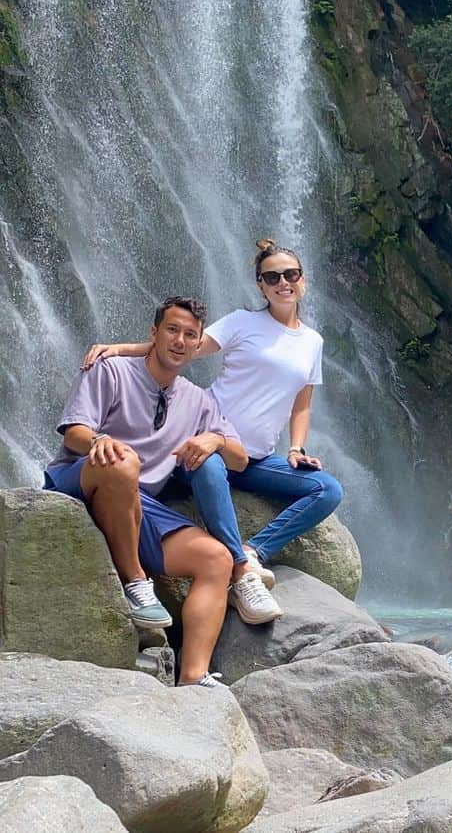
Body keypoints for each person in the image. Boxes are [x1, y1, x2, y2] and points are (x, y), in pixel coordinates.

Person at [83, 240, 343, 605]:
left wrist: (296, 448)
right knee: (207, 466)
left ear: (303, 280)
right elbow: (181, 347)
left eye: (290, 274)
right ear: (261, 285)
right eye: (272, 276)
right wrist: (120, 349)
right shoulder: (242, 322)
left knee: (328, 489)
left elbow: (302, 404)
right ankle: (240, 571)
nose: (282, 282)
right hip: (208, 442)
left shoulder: (312, 342)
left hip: (255, 459)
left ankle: (254, 551)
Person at [45, 296, 271, 688]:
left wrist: (214, 439)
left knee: (217, 560)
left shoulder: (199, 401)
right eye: (172, 330)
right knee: (123, 461)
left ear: (199, 344)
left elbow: (238, 460)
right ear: (154, 333)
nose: (180, 341)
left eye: (189, 335)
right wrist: (100, 441)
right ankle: (136, 583)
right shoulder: (111, 370)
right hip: (83, 480)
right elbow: (75, 430)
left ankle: (193, 677)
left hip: (140, 503)